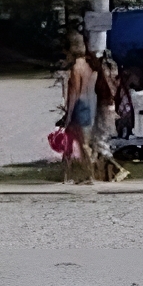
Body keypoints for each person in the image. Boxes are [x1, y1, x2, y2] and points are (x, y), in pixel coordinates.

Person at [59, 37, 99, 184]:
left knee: (70, 142)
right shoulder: (88, 66)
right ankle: (86, 175)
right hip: (88, 106)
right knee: (83, 144)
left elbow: (74, 93)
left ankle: (70, 176)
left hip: (78, 107)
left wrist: (68, 115)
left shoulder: (76, 68)